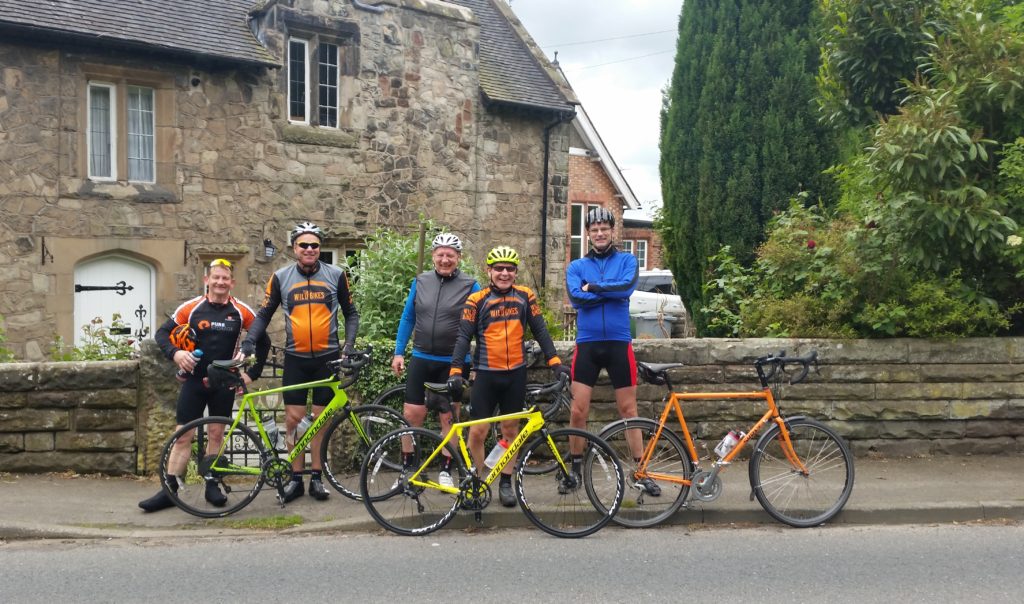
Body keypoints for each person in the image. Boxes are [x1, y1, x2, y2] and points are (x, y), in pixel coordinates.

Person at [240, 222, 359, 502]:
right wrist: (248, 344)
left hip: (327, 358)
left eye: (314, 245)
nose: (309, 249)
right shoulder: (281, 277)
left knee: (319, 420)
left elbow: (351, 314)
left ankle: (316, 478)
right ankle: (296, 479)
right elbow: (264, 314)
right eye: (303, 245)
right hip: (295, 359)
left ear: (319, 249)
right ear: (294, 248)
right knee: (293, 421)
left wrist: (349, 347)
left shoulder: (336, 275)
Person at [139, 258, 270, 512]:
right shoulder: (192, 308)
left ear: (232, 282)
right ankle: (170, 489)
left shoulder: (241, 311)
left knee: (216, 433)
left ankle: (212, 483)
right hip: (195, 381)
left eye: (225, 278)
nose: (220, 282)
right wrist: (176, 354)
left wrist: (253, 373)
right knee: (183, 435)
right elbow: (162, 334)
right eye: (216, 277)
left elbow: (262, 340)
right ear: (206, 280)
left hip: (224, 381)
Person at [446, 245, 570, 507]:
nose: (504, 273)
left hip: (515, 374)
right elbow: (463, 337)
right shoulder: (476, 300)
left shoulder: (526, 296)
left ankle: (505, 481)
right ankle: (479, 482)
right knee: (477, 433)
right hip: (486, 376)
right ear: (488, 271)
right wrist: (456, 370)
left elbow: (541, 331)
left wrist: (556, 362)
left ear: (515, 272)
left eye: (510, 269)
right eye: (499, 268)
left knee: (510, 431)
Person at [565, 207, 660, 496]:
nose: (600, 233)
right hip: (588, 344)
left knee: (629, 410)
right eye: (594, 230)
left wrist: (594, 287)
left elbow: (626, 290)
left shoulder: (628, 260)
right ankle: (575, 469)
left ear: (612, 230)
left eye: (604, 228)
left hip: (619, 343)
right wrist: (606, 292)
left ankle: (641, 470)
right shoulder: (576, 266)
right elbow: (575, 298)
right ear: (589, 234)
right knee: (578, 410)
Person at [391, 233, 480, 488]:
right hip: (421, 357)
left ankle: (446, 469)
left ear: (458, 258)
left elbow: (480, 325)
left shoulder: (470, 285)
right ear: (433, 256)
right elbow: (408, 318)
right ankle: (408, 468)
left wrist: (476, 363)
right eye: (440, 254)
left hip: (453, 362)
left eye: (450, 255)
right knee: (411, 413)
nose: (445, 259)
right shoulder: (420, 281)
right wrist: (399, 352)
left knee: (449, 418)